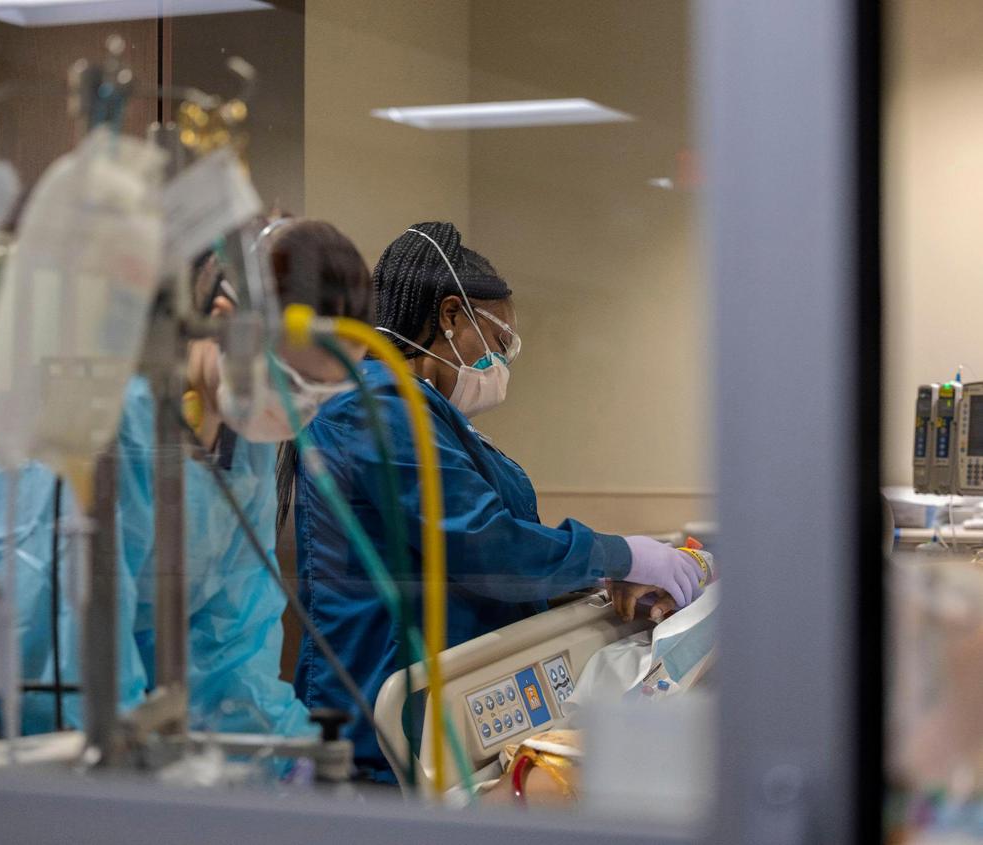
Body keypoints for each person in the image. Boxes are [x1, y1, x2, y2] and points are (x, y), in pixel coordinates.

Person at [0, 218, 372, 755]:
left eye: (323, 396)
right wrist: (133, 770)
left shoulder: (246, 452)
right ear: (225, 321)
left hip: (36, 720)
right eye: (295, 382)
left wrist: (294, 767)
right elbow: (57, 651)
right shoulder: (100, 418)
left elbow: (229, 651)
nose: (299, 410)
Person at [291, 221, 702, 781]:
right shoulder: (371, 411)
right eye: (497, 341)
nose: (501, 362)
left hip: (445, 699)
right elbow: (487, 547)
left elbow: (503, 541)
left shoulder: (430, 417)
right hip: (383, 723)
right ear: (452, 316)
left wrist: (595, 582)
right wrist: (618, 556)